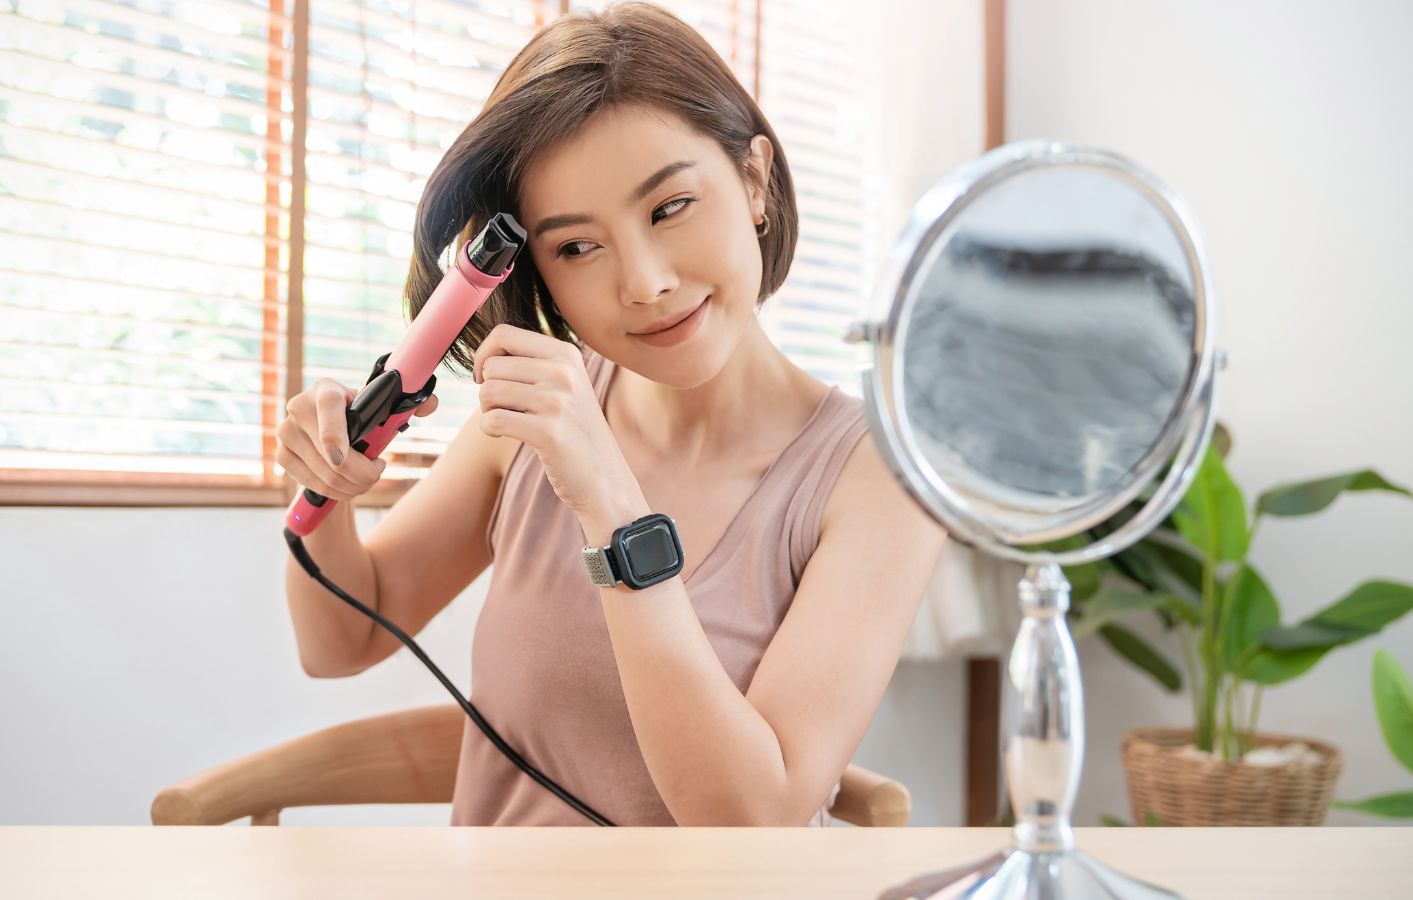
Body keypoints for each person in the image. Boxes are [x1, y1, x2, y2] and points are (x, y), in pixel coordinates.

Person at [277, 1, 946, 826]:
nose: (645, 283)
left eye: (669, 208)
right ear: (539, 278)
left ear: (754, 180)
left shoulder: (880, 479)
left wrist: (613, 507)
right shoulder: (528, 429)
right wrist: (327, 487)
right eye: (577, 248)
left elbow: (752, 820)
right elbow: (340, 642)